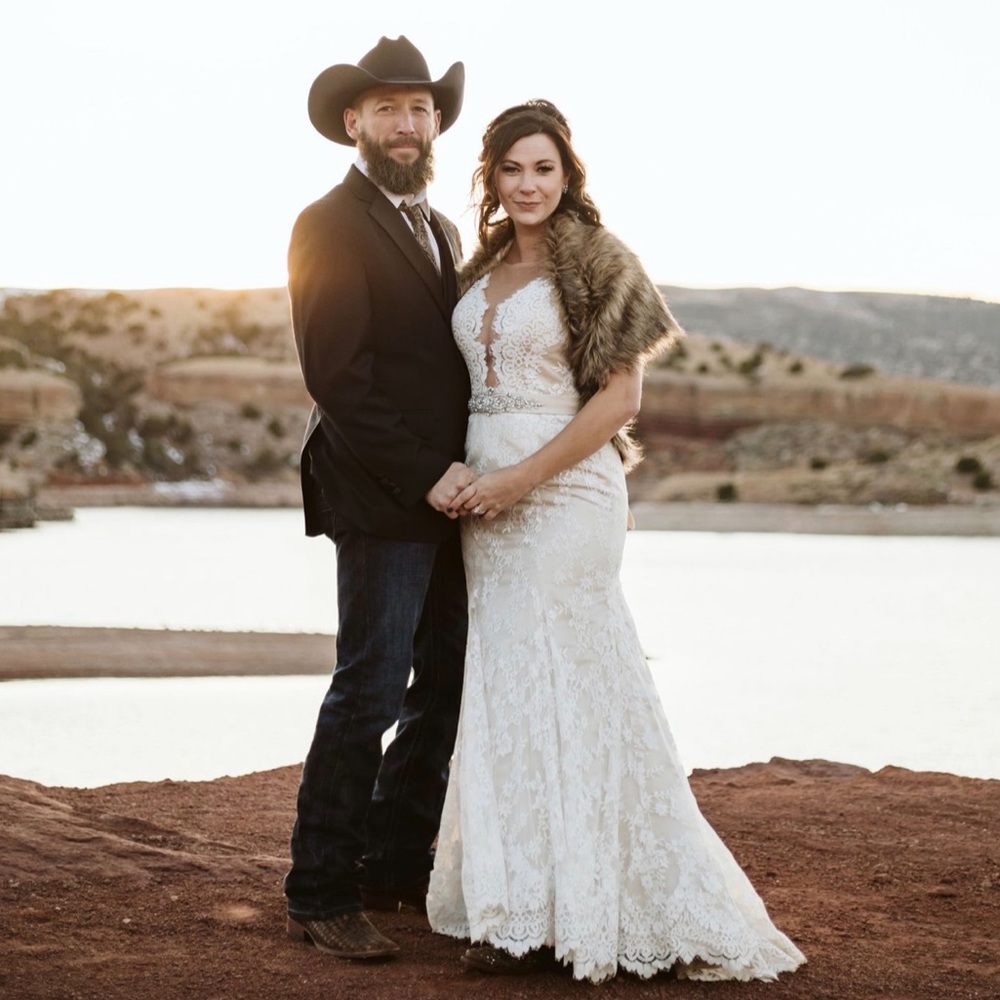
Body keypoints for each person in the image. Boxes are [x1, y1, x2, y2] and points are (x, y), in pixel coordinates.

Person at [424, 100, 807, 983]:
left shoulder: (601, 261)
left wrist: (522, 479)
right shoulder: (478, 267)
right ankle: (518, 909)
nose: (528, 185)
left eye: (544, 169)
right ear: (491, 177)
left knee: (576, 679)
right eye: (512, 169)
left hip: (566, 495)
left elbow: (621, 398)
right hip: (484, 505)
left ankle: (610, 904)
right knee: (508, 684)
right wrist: (467, 475)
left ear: (568, 176)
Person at [283, 36, 475, 960]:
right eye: (389, 109)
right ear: (354, 122)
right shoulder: (327, 224)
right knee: (370, 687)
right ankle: (320, 892)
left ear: (436, 123)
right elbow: (339, 378)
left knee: (446, 682)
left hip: (455, 498)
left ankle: (393, 865)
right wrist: (426, 472)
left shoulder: (443, 230)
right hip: (379, 492)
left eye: (421, 108)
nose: (407, 124)